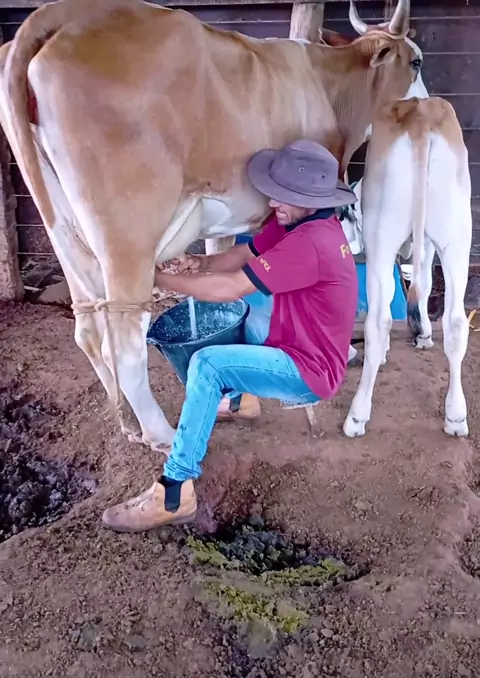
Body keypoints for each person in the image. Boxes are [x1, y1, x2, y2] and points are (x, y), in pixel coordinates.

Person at [102, 139, 358, 532]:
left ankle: (175, 492)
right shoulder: (305, 222)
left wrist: (154, 279)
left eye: (281, 195)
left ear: (309, 199)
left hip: (308, 371)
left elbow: (229, 288)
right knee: (248, 318)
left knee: (208, 364)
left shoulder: (311, 244)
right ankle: (241, 401)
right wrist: (197, 263)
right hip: (295, 340)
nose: (271, 202)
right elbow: (245, 255)